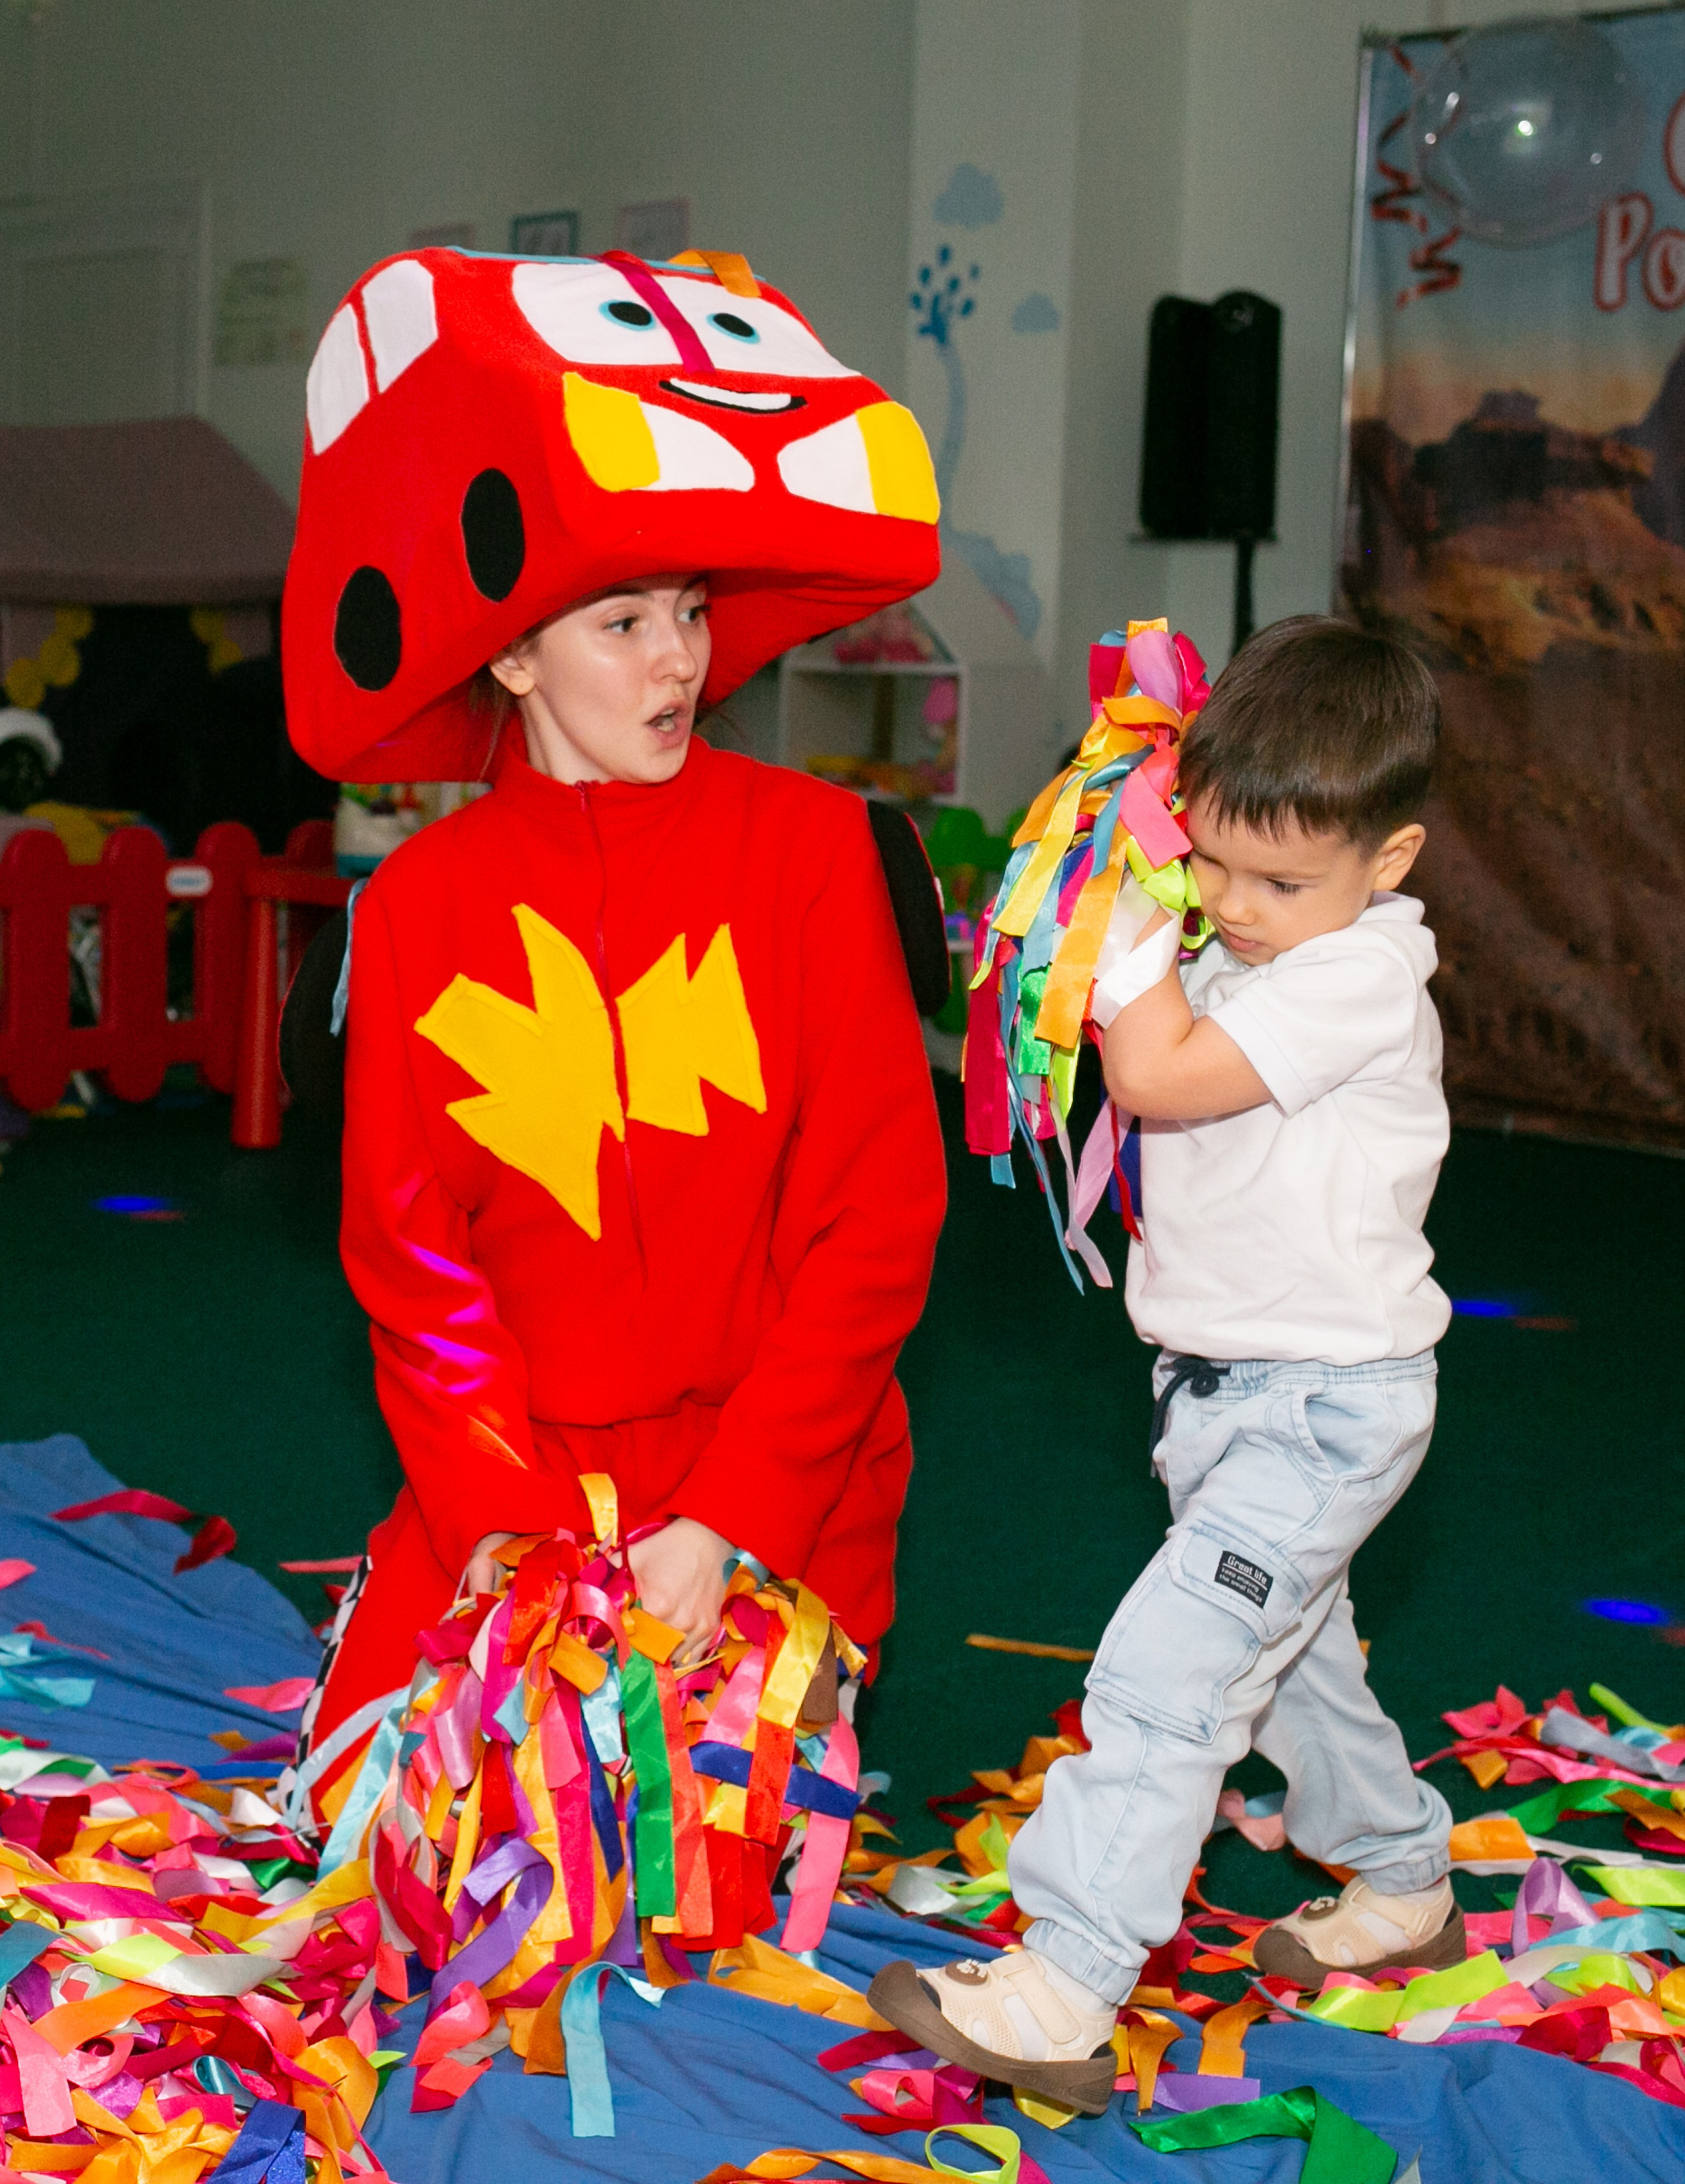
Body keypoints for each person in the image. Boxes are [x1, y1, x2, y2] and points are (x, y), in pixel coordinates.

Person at [277, 245, 948, 1868]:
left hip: (770, 1482)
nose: (679, 662)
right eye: (624, 620)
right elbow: (410, 1262)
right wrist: (509, 1541)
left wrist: (731, 1522)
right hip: (518, 1495)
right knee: (404, 1855)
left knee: (681, 1882)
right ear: (508, 652)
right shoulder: (422, 904)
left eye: (694, 612)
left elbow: (875, 1218)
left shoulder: (812, 850)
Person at [870, 615, 1457, 2111]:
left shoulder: (1362, 978)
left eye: (1278, 882)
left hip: (1318, 1410)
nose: (1231, 908)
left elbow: (1154, 1069)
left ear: (1385, 861)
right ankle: (1400, 1878)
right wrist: (1151, 893)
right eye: (1202, 862)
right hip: (1223, 1394)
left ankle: (1062, 1980)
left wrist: (1127, 927)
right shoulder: (1261, 936)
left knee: (1165, 1679)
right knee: (1296, 1663)